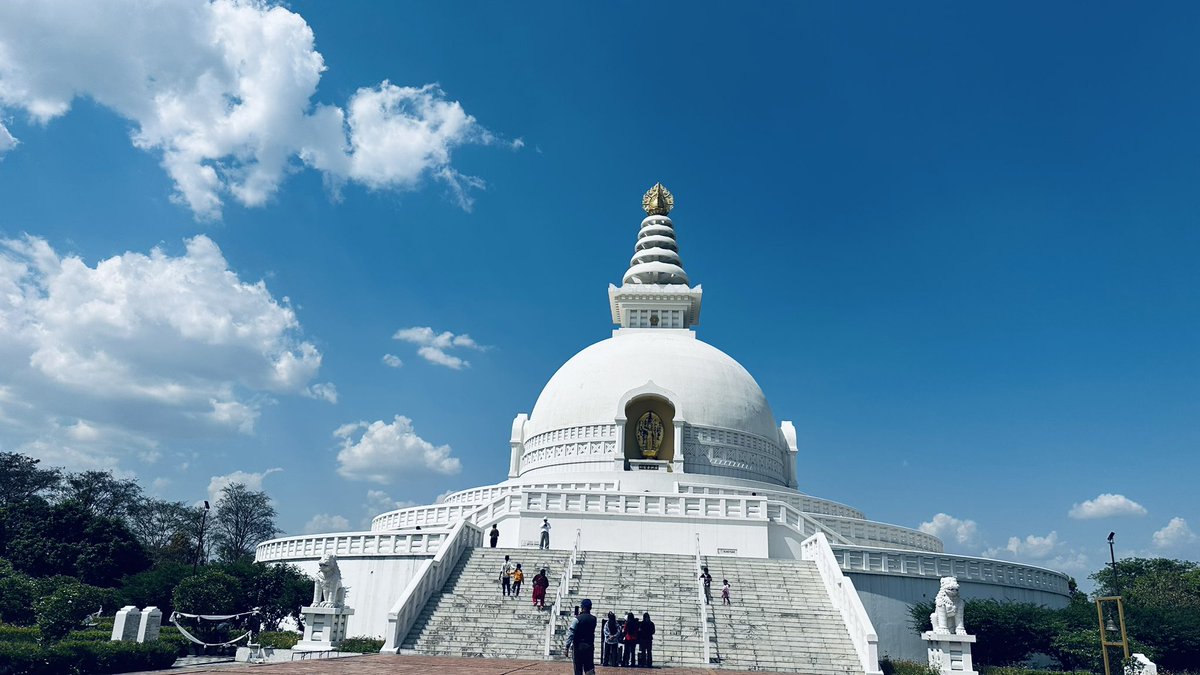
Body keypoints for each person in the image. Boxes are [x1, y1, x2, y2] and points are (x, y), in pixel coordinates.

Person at [564, 598, 597, 675]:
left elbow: (571, 633)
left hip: (578, 646)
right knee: (589, 667)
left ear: (582, 607)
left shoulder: (577, 619)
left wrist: (567, 647)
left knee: (578, 668)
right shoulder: (594, 619)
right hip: (589, 646)